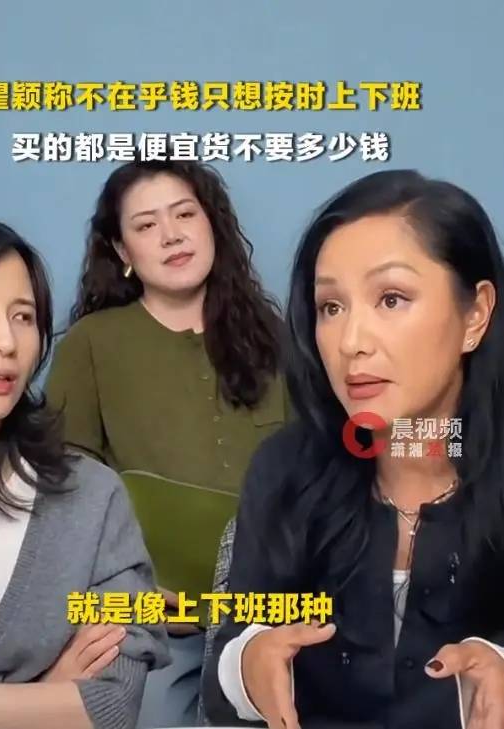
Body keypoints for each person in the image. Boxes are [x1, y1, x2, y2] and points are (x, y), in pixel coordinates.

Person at [202, 170, 504, 729]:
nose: (351, 342)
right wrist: (249, 662)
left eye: (391, 298)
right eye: (331, 307)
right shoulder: (286, 469)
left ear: (475, 314)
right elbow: (222, 675)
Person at [0, 216, 169, 729]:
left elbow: (110, 706)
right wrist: (40, 696)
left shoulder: (91, 497)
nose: (6, 340)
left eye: (23, 316)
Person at [45, 157, 290, 727]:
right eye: (146, 224)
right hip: (150, 618)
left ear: (212, 225)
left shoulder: (274, 337)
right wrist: (130, 589)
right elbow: (62, 487)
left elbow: (315, 471)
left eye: (184, 214)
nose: (172, 235)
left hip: (266, 612)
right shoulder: (92, 343)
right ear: (122, 251)